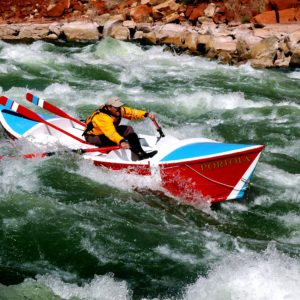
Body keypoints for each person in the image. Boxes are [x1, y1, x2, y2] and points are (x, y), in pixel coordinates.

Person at [83, 96, 158, 160]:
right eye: (116, 107)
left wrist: (146, 114)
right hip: (94, 137)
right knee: (115, 140)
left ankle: (141, 154)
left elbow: (131, 112)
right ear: (109, 107)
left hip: (106, 133)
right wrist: (121, 141)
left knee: (128, 129)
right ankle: (109, 151)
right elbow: (111, 133)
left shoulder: (116, 110)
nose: (119, 109)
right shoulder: (102, 117)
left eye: (119, 107)